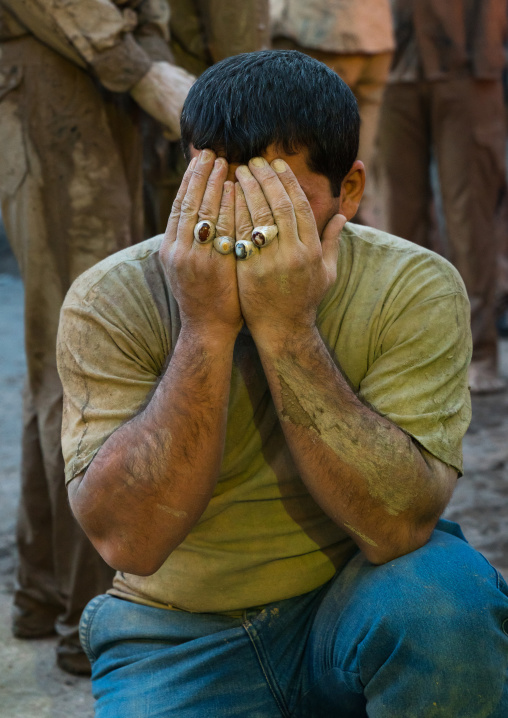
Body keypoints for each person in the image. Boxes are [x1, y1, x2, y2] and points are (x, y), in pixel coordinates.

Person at [57, 51, 508, 716]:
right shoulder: (111, 298)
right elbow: (130, 541)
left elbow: (397, 526)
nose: (242, 232)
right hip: (176, 636)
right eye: (221, 198)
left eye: (277, 206)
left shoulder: (411, 285)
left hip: (352, 606)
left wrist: (287, 330)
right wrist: (204, 328)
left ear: (348, 191)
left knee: (449, 598)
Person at [0, 0, 194, 674]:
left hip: (79, 78)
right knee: (84, 355)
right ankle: (93, 614)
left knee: (59, 352)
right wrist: (140, 67)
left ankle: (47, 595)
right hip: (65, 78)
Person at [376, 0, 508, 394]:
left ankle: (479, 351)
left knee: (469, 218)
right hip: (393, 65)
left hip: (468, 65)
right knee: (399, 221)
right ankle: (413, 347)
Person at [270, 0, 394, 225]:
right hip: (376, 33)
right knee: (358, 165)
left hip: (319, 32)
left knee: (309, 170)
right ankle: (361, 242)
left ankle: (322, 244)